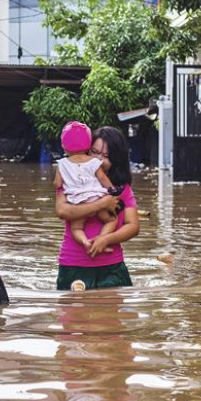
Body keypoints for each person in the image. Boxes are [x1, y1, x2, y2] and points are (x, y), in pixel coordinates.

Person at [54, 126, 140, 290]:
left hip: (112, 267)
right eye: (94, 152)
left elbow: (133, 226)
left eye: (106, 156)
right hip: (73, 265)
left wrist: (106, 239)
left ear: (117, 159)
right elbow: (62, 211)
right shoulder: (70, 182)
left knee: (112, 315)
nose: (99, 160)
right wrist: (102, 204)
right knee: (72, 315)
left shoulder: (121, 188)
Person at [53, 121, 122, 252]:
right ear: (88, 146)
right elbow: (102, 178)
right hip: (96, 197)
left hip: (77, 200)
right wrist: (112, 191)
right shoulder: (94, 162)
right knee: (111, 220)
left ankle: (86, 242)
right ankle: (101, 241)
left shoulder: (62, 164)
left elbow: (57, 184)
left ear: (64, 147)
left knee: (76, 228)